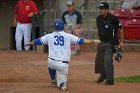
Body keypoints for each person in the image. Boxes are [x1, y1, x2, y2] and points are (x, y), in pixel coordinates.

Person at [26, 19, 96, 90]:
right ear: (63, 26)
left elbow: (37, 41)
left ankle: (53, 79)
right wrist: (92, 41)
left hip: (51, 62)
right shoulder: (68, 36)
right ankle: (63, 84)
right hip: (62, 65)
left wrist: (29, 43)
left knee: (50, 65)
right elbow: (82, 41)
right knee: (62, 83)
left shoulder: (49, 36)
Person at [95, 2, 124, 85]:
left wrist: (121, 42)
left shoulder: (114, 18)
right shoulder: (98, 18)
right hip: (101, 43)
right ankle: (103, 75)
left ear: (107, 10)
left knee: (107, 61)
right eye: (99, 9)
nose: (100, 10)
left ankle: (110, 79)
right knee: (99, 61)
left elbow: (121, 29)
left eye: (101, 9)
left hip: (110, 43)